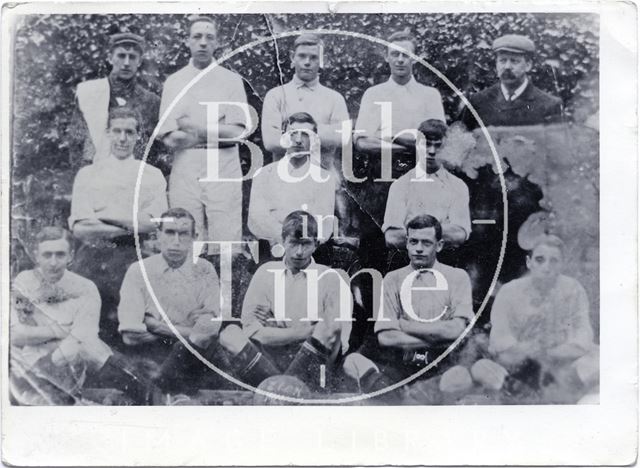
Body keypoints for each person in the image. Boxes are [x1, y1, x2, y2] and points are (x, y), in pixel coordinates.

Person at [10, 227, 157, 405]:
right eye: (47, 255)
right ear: (36, 255)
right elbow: (16, 336)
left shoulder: (85, 287)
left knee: (141, 385)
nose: (53, 262)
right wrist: (62, 330)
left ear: (70, 256)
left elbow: (82, 338)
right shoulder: (23, 283)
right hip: (32, 365)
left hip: (83, 358)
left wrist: (45, 336)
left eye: (60, 255)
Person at [69, 107, 167, 346]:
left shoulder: (152, 175)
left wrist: (105, 217)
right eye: (117, 131)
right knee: (91, 329)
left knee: (133, 328)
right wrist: (132, 223)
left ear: (138, 136)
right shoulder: (88, 174)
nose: (123, 138)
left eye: (129, 132)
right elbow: (81, 228)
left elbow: (154, 223)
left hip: (135, 255)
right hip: (92, 258)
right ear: (108, 134)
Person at [345, 215, 474, 394]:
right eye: (413, 242)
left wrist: (404, 325)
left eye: (426, 243)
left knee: (459, 378)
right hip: (402, 363)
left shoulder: (457, 277)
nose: (418, 249)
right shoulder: (393, 279)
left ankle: (394, 395)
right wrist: (436, 337)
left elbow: (456, 330)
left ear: (439, 245)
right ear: (406, 243)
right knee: (352, 362)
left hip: (442, 363)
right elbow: (386, 337)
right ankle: (398, 395)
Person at [158, 15, 251, 254]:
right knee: (186, 235)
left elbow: (238, 132)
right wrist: (217, 127)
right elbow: (170, 136)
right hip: (186, 163)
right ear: (187, 41)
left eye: (209, 37)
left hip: (224, 162)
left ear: (217, 43)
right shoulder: (175, 82)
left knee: (226, 241)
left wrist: (194, 128)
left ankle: (224, 290)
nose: (202, 42)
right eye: (197, 36)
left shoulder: (231, 81)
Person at [241, 211, 349, 391]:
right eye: (293, 243)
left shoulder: (332, 278)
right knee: (230, 334)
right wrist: (308, 330)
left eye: (305, 244)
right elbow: (251, 332)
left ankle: (279, 392)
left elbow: (335, 337)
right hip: (271, 360)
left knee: (329, 329)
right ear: (283, 241)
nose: (299, 252)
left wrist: (278, 330)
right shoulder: (265, 272)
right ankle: (288, 391)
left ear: (316, 244)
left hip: (314, 362)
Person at [488, 235, 598, 396]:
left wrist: (553, 353)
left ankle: (558, 391)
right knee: (493, 364)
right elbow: (500, 339)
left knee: (602, 361)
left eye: (554, 261)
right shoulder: (509, 291)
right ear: (529, 262)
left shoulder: (573, 288)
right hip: (519, 360)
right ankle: (531, 391)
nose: (547, 267)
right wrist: (529, 351)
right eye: (540, 260)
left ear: (562, 264)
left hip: (561, 360)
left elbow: (584, 334)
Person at [354, 31, 446, 170]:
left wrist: (387, 136)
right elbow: (362, 143)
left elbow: (438, 140)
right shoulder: (374, 94)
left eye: (406, 55)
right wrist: (409, 145)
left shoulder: (430, 95)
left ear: (415, 58)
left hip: (421, 171)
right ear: (386, 57)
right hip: (382, 172)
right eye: (395, 54)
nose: (400, 60)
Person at [248, 113, 336, 253]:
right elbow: (257, 218)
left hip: (310, 249)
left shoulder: (325, 178)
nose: (299, 140)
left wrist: (303, 243)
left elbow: (325, 223)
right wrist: (285, 239)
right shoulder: (264, 174)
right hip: (273, 248)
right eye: (293, 134)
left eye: (305, 134)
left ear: (314, 139)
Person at [69, 32, 160, 165]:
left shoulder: (151, 102)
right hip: (95, 174)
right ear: (110, 58)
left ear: (139, 61)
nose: (126, 63)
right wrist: (85, 177)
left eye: (132, 57)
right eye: (121, 56)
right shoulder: (90, 94)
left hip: (134, 178)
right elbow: (77, 143)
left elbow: (154, 150)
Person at [261, 33, 350, 169]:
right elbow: (270, 142)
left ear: (321, 60)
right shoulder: (275, 95)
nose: (307, 62)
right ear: (292, 57)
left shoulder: (334, 98)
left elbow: (342, 138)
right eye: (302, 56)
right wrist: (322, 132)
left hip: (322, 177)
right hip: (285, 178)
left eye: (313, 57)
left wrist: (290, 133)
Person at [382, 119, 470, 250]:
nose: (432, 151)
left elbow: (459, 234)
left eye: (438, 145)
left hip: (446, 261)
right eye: (426, 144)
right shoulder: (400, 185)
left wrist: (412, 234)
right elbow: (392, 237)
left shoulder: (458, 186)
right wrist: (440, 233)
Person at [459, 34, 563, 130]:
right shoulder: (478, 102)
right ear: (496, 64)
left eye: (514, 61)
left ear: (528, 65)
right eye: (502, 60)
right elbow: (460, 144)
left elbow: (556, 148)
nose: (507, 67)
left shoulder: (549, 105)